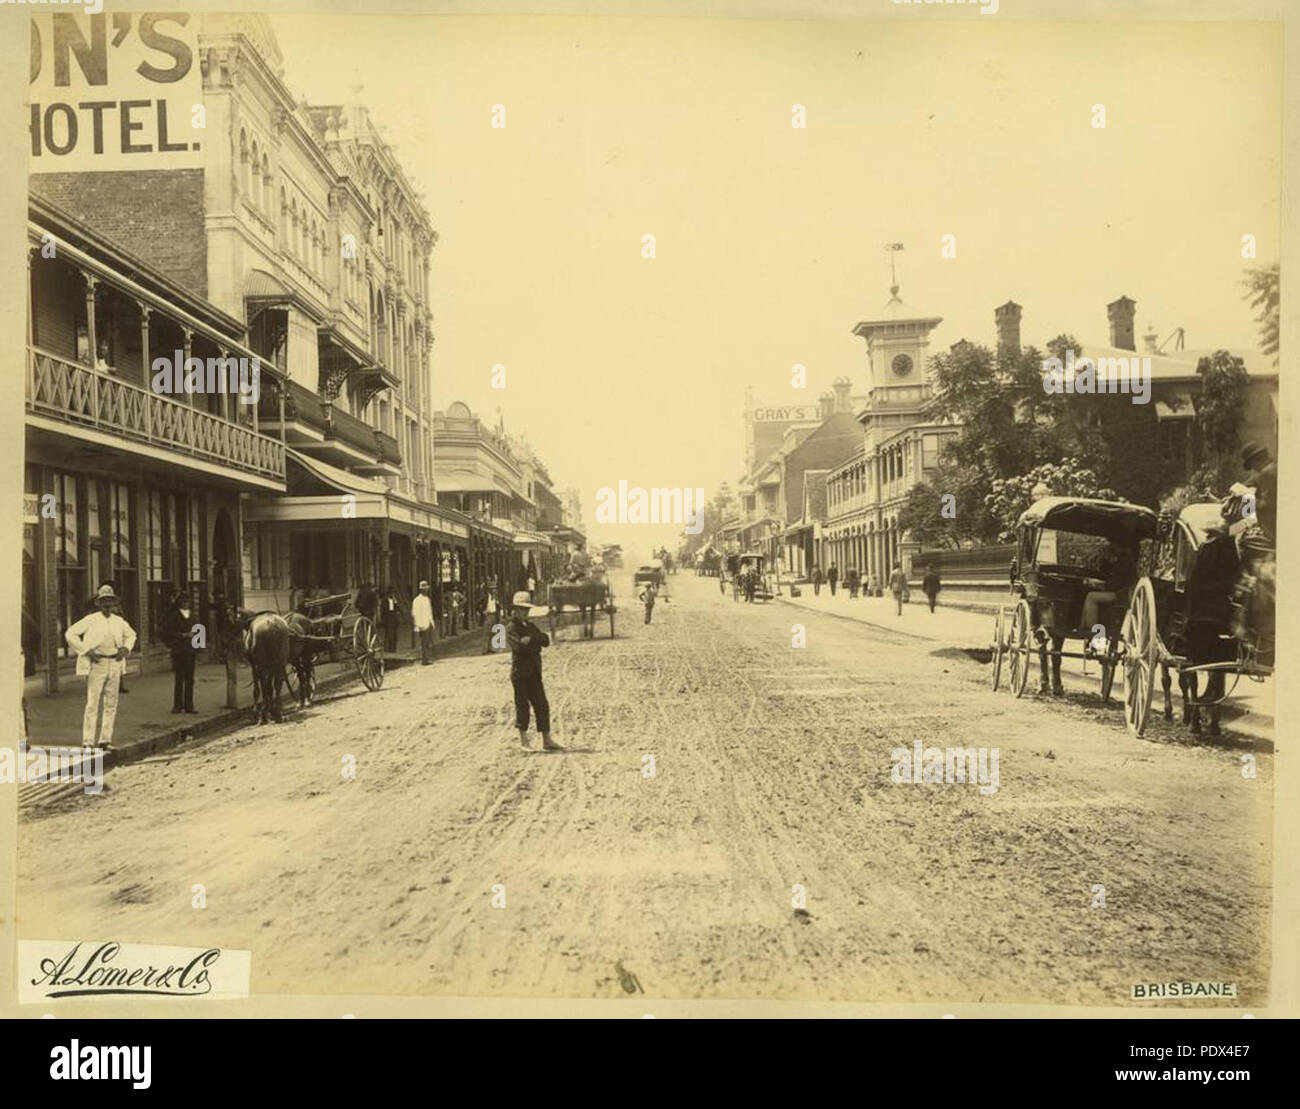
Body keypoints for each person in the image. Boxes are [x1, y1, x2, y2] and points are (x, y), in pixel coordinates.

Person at [65, 583, 137, 749]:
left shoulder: (119, 621)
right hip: (97, 664)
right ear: (98, 603)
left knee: (111, 703)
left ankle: (105, 740)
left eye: (110, 601)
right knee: (92, 703)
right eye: (104, 601)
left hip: (115, 663)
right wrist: (86, 650)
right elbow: (70, 633)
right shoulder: (91, 620)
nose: (107, 604)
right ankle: (88, 741)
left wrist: (126, 648)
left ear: (114, 603)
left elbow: (132, 635)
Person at [507, 591, 561, 751]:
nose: (524, 612)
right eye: (521, 609)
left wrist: (531, 639)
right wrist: (534, 642)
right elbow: (518, 647)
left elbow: (545, 640)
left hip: (534, 672)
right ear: (515, 610)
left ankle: (547, 740)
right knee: (522, 706)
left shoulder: (530, 626)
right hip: (520, 674)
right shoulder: (510, 628)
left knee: (542, 705)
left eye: (526, 609)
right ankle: (524, 742)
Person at [1081, 542, 1137, 637]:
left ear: (1120, 547)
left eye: (1114, 544)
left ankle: (1095, 634)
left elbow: (1112, 585)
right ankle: (1082, 629)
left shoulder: (1124, 562)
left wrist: (1095, 584)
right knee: (1091, 595)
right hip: (1121, 593)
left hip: (1122, 595)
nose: (1111, 546)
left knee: (1091, 597)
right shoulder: (1122, 561)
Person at [164, 589, 199, 714]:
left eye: (188, 602)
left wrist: (197, 646)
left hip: (190, 651)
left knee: (190, 679)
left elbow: (198, 632)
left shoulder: (193, 616)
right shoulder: (173, 616)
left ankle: (189, 706)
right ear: (179, 603)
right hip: (178, 651)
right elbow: (169, 633)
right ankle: (177, 706)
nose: (186, 604)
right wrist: (184, 635)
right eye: (184, 602)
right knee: (179, 679)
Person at [411, 580, 435, 665]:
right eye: (424, 589)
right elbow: (414, 613)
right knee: (423, 642)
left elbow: (429, 611)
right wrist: (417, 625)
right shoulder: (417, 600)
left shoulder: (427, 599)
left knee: (428, 641)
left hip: (428, 622)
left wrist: (432, 622)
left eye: (426, 588)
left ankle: (427, 658)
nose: (426, 590)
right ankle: (424, 660)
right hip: (421, 623)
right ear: (421, 590)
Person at [381, 586, 400, 653]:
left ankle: (393, 648)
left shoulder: (394, 599)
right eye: (391, 593)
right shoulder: (385, 599)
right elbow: (383, 610)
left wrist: (396, 604)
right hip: (388, 617)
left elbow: (397, 608)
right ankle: (387, 648)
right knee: (389, 634)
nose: (392, 594)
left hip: (394, 617)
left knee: (394, 634)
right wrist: (383, 619)